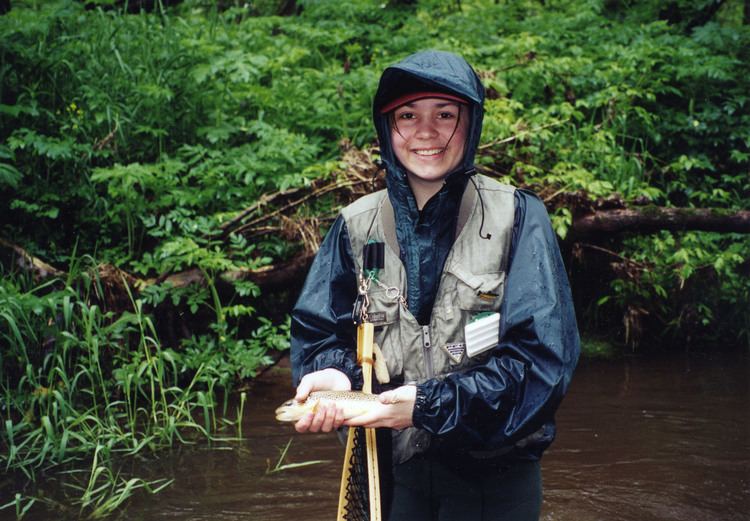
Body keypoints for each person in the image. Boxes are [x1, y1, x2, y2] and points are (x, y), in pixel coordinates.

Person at [290, 50, 580, 521]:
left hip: (495, 474)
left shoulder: (520, 216)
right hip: (391, 472)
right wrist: (333, 373)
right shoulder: (353, 225)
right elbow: (322, 332)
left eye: (444, 114)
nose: (425, 132)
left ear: (470, 123)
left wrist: (425, 406)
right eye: (408, 116)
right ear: (388, 128)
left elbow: (541, 363)